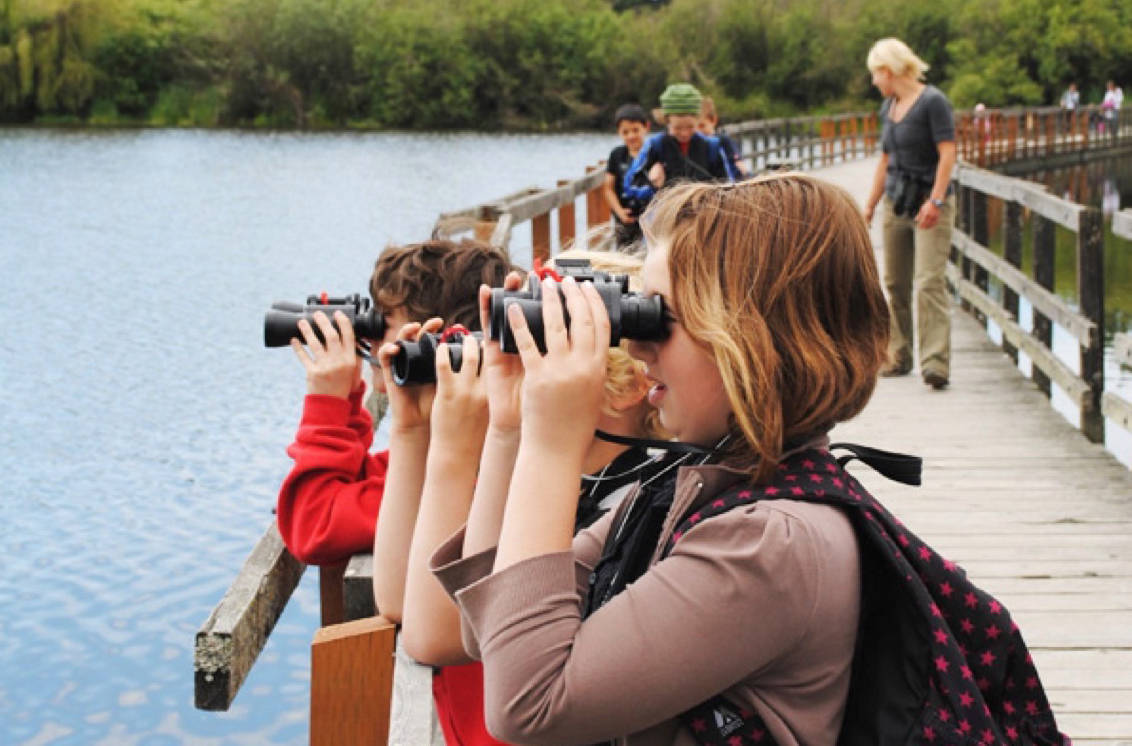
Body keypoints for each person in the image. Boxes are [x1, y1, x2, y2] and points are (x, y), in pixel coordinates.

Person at [428, 175, 1069, 745]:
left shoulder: (768, 543)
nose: (638, 344)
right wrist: (510, 425)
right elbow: (488, 631)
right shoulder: (696, 489)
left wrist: (549, 441)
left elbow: (526, 707)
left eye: (660, 319)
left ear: (753, 340)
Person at [371, 250, 662, 743]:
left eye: (540, 342)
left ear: (628, 385)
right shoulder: (540, 479)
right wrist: (411, 429)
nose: (509, 363)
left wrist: (452, 450)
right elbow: (399, 601)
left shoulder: (619, 504)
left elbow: (432, 636)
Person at [275, 238, 512, 566]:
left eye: (383, 321)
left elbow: (314, 524)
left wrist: (326, 404)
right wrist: (347, 397)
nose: (369, 339)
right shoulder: (463, 441)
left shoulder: (464, 471)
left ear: (431, 337)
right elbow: (357, 480)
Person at [862, 37, 957, 390]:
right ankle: (898, 356)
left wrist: (936, 201)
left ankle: (935, 364)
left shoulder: (933, 102)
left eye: (876, 74)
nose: (874, 82)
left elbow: (947, 154)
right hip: (896, 203)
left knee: (929, 281)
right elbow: (885, 161)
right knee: (894, 282)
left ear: (889, 70)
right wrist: (870, 205)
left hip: (930, 201)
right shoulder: (889, 108)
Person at [621, 83, 737, 215]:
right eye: (677, 128)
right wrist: (653, 185)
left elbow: (729, 186)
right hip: (664, 217)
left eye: (690, 127)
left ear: (698, 119)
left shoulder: (712, 146)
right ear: (666, 121)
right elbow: (629, 187)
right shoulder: (655, 145)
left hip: (704, 217)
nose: (684, 133)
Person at [602, 104, 652, 249]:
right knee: (624, 257)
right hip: (625, 219)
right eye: (625, 132)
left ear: (646, 127)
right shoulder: (617, 155)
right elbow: (608, 188)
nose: (631, 136)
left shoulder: (654, 153)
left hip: (650, 219)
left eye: (636, 130)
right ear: (619, 132)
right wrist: (620, 212)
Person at [697, 95, 749, 177]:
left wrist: (748, 177)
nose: (698, 131)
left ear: (713, 120)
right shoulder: (695, 144)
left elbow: (740, 165)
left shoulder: (723, 141)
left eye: (702, 126)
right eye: (694, 128)